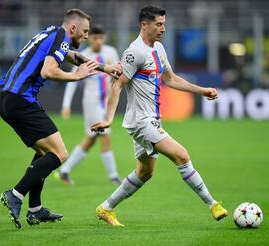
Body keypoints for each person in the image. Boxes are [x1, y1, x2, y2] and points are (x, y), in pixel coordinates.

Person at [91, 6, 228, 227]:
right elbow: (117, 86)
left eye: (164, 24)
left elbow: (171, 79)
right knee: (182, 156)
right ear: (144, 24)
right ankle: (212, 204)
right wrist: (108, 119)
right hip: (141, 121)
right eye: (159, 24)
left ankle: (105, 208)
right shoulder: (134, 52)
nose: (163, 28)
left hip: (152, 118)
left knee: (145, 172)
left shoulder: (159, 48)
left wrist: (202, 90)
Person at [0, 9, 121, 229]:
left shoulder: (52, 34)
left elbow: (74, 57)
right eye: (84, 32)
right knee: (59, 153)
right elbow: (48, 71)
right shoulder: (61, 37)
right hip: (20, 100)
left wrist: (104, 68)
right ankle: (15, 194)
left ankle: (35, 210)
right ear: (72, 28)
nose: (86, 36)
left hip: (10, 99)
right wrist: (76, 76)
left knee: (44, 152)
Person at [57, 25, 122, 185]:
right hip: (92, 102)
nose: (98, 41)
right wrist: (66, 104)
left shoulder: (111, 52)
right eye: (95, 38)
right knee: (105, 136)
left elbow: (118, 73)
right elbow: (72, 81)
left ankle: (64, 171)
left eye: (101, 38)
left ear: (104, 38)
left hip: (105, 101)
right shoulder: (83, 56)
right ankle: (113, 176)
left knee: (91, 139)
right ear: (89, 38)